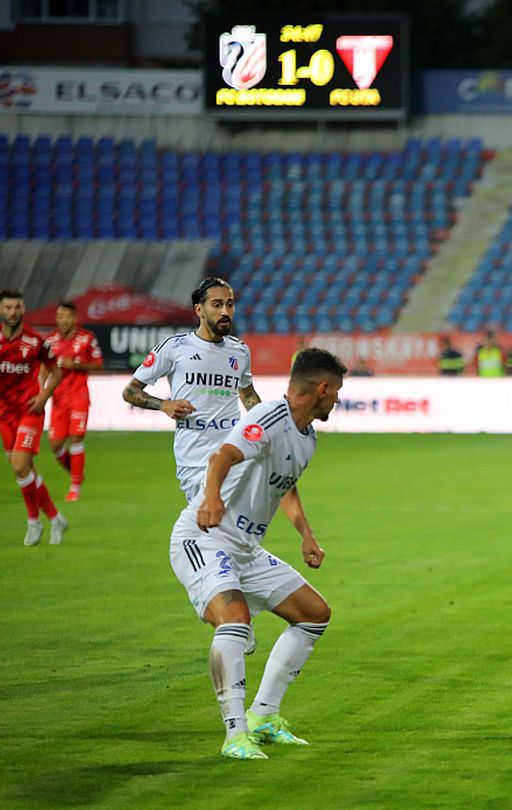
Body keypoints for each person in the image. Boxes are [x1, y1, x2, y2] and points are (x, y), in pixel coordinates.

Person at [171, 347, 345, 759]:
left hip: (245, 550)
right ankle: (235, 735)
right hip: (205, 537)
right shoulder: (266, 418)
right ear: (322, 388)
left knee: (314, 615)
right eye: (336, 391)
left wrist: (306, 534)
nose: (337, 399)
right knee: (235, 622)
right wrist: (211, 500)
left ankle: (264, 716)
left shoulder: (307, 438)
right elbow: (222, 456)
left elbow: (282, 486)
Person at [123, 277, 263, 502]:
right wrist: (164, 405)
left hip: (233, 451)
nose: (225, 311)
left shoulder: (240, 351)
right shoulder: (175, 347)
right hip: (195, 459)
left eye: (230, 304)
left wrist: (267, 423)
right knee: (212, 525)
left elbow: (247, 394)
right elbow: (130, 392)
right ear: (199, 309)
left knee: (234, 527)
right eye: (217, 305)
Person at [0, 290, 67, 546]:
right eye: (8, 307)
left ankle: (33, 522)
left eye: (17, 307)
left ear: (23, 309)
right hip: (3, 412)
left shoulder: (35, 340)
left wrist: (44, 397)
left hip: (30, 409)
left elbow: (55, 372)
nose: (13, 312)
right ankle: (55, 518)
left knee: (20, 466)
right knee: (25, 469)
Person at [43, 301, 103, 501]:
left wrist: (77, 364)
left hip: (78, 395)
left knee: (76, 438)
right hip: (58, 397)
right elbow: (43, 368)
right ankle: (77, 473)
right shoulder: (49, 340)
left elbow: (98, 365)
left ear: (75, 318)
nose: (63, 320)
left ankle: (75, 487)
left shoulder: (87, 338)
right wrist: (41, 389)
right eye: (60, 316)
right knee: (55, 445)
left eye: (67, 316)